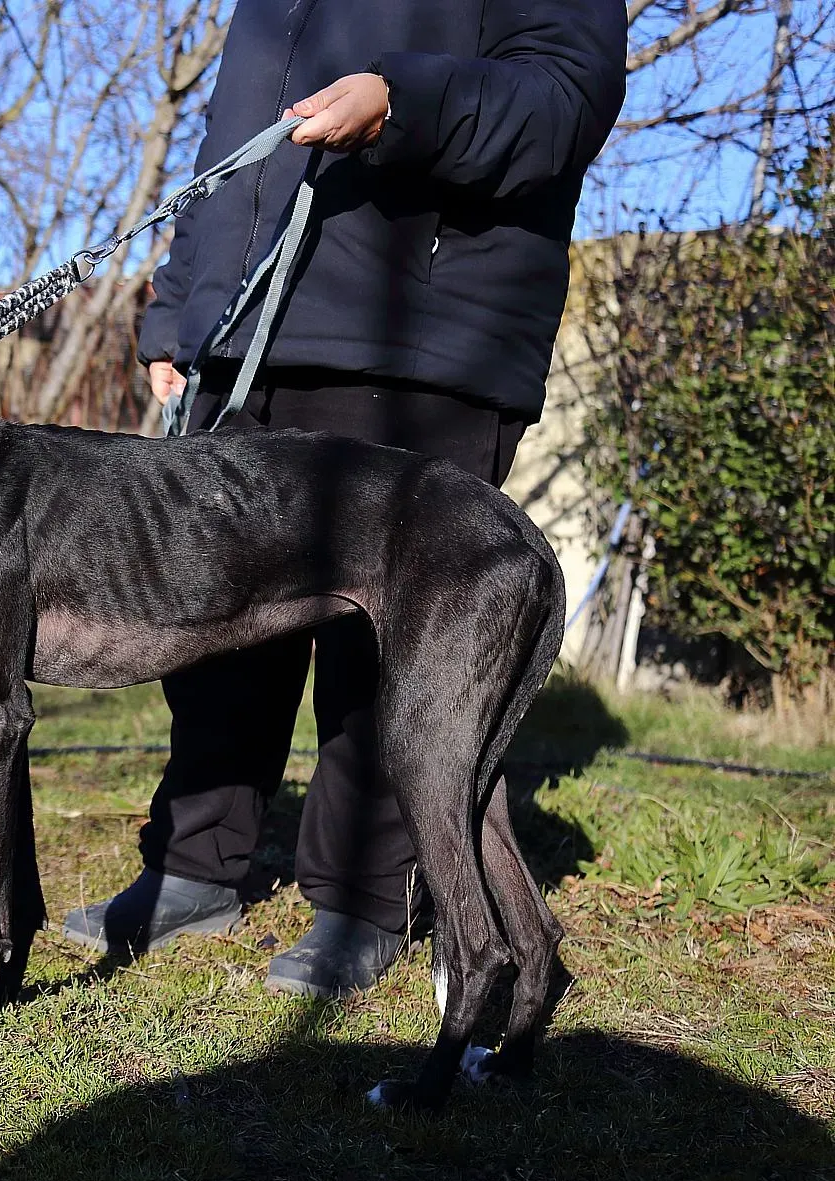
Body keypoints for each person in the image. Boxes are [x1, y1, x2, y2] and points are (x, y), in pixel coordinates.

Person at [61, 0, 626, 998]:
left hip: (425, 334)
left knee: (389, 642)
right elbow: (235, 144)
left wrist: (403, 101)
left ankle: (366, 901)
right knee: (213, 617)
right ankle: (196, 864)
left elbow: (561, 103)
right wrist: (182, 308)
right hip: (250, 334)